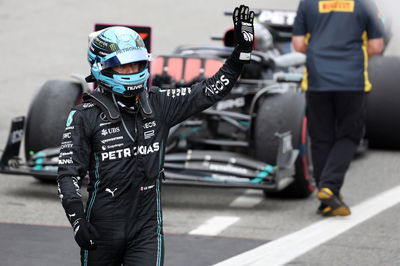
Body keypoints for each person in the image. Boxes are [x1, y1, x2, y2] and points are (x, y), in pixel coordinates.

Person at [56, 5, 254, 266]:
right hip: (102, 228)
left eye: (137, 64)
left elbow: (209, 91)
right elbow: (68, 173)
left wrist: (240, 55)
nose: (132, 71)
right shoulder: (84, 116)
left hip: (146, 228)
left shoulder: (159, 103)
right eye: (124, 67)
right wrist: (77, 220)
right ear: (101, 68)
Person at [292, 0, 385, 216]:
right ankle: (330, 186)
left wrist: (320, 51)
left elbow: (298, 44)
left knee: (321, 136)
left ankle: (327, 199)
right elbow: (376, 46)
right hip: (351, 80)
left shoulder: (308, 3)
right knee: (350, 135)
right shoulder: (365, 4)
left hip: (316, 79)